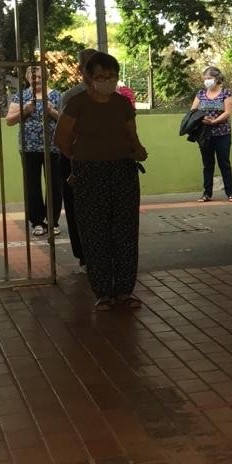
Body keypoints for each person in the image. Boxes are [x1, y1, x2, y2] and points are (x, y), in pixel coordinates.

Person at [54, 52, 148, 311]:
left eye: (111, 76)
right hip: (89, 173)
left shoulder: (122, 104)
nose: (106, 81)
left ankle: (124, 291)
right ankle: (103, 292)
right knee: (95, 232)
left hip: (123, 171)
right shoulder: (77, 104)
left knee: (125, 231)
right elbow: (61, 139)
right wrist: (81, 158)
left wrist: (138, 150)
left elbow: (132, 136)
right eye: (100, 77)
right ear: (87, 78)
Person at [6, 65, 63, 237]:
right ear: (27, 78)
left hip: (53, 146)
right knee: (32, 185)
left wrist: (51, 111)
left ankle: (52, 222)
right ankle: (37, 222)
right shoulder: (21, 96)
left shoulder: (56, 95)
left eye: (38, 76)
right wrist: (26, 110)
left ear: (45, 77)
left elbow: (66, 119)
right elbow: (9, 120)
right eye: (32, 76)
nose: (35, 79)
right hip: (29, 147)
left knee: (54, 184)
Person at [59, 47, 97, 268]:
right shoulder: (72, 96)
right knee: (76, 207)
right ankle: (84, 252)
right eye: (90, 66)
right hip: (75, 157)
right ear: (80, 69)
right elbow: (64, 134)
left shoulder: (115, 96)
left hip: (103, 158)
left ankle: (99, 251)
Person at [191, 66, 232, 202]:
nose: (207, 81)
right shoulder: (200, 94)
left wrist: (215, 121)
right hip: (205, 135)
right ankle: (207, 193)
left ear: (217, 79)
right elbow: (193, 111)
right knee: (208, 164)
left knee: (224, 163)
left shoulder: (226, 94)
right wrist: (202, 119)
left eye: (209, 78)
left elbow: (228, 112)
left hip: (222, 134)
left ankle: (230, 193)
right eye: (205, 79)